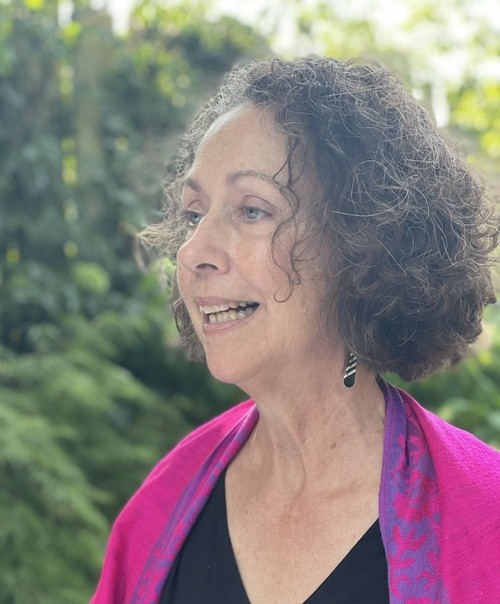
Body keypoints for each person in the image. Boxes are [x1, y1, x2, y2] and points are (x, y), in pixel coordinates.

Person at [91, 57, 500, 604]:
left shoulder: (486, 519)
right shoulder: (163, 503)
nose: (192, 251)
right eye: (194, 214)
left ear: (360, 243)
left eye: (252, 210)